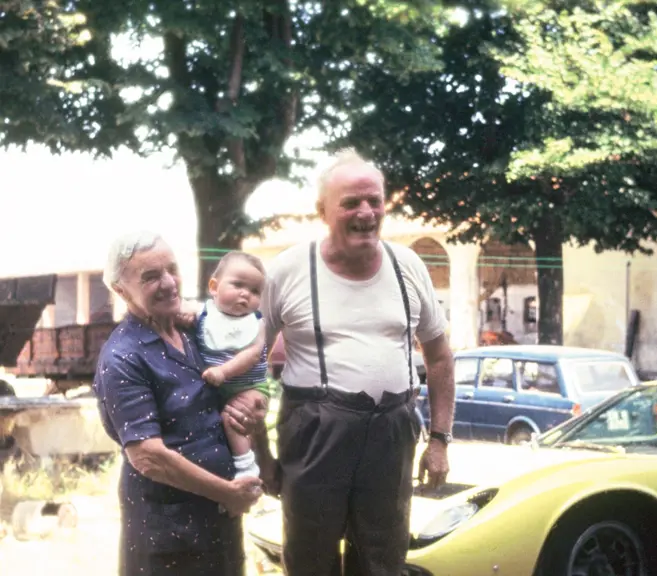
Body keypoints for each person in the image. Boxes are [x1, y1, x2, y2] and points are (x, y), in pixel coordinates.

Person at [261, 148, 457, 576]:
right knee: (311, 560)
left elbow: (440, 357)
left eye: (375, 201)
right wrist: (259, 455)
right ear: (323, 211)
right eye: (351, 203)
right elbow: (250, 360)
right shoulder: (288, 271)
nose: (366, 213)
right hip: (313, 436)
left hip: (391, 434)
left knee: (383, 559)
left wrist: (439, 439)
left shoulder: (408, 265)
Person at [93, 231, 269, 576]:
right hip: (168, 531)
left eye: (172, 269)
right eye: (151, 276)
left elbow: (245, 376)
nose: (169, 283)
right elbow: (148, 458)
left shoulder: (193, 331)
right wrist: (228, 493)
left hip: (218, 520)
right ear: (120, 290)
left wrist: (255, 403)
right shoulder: (123, 357)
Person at [178, 250, 271, 481]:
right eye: (238, 285)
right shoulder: (204, 313)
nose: (245, 294)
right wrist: (183, 315)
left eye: (254, 291)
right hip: (216, 388)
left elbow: (251, 355)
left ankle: (246, 467)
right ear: (213, 287)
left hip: (249, 387)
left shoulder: (256, 323)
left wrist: (223, 372)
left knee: (234, 418)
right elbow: (180, 309)